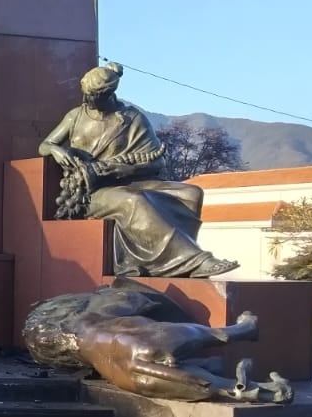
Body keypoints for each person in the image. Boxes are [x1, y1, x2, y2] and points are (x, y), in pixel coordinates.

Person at [37, 63, 239, 278]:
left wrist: (123, 170)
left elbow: (156, 162)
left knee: (191, 194)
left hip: (129, 179)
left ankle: (178, 262)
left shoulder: (132, 118)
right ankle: (194, 260)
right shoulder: (75, 116)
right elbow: (45, 145)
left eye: (94, 97)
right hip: (92, 192)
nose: (89, 101)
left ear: (109, 93)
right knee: (133, 200)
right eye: (87, 96)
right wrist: (56, 151)